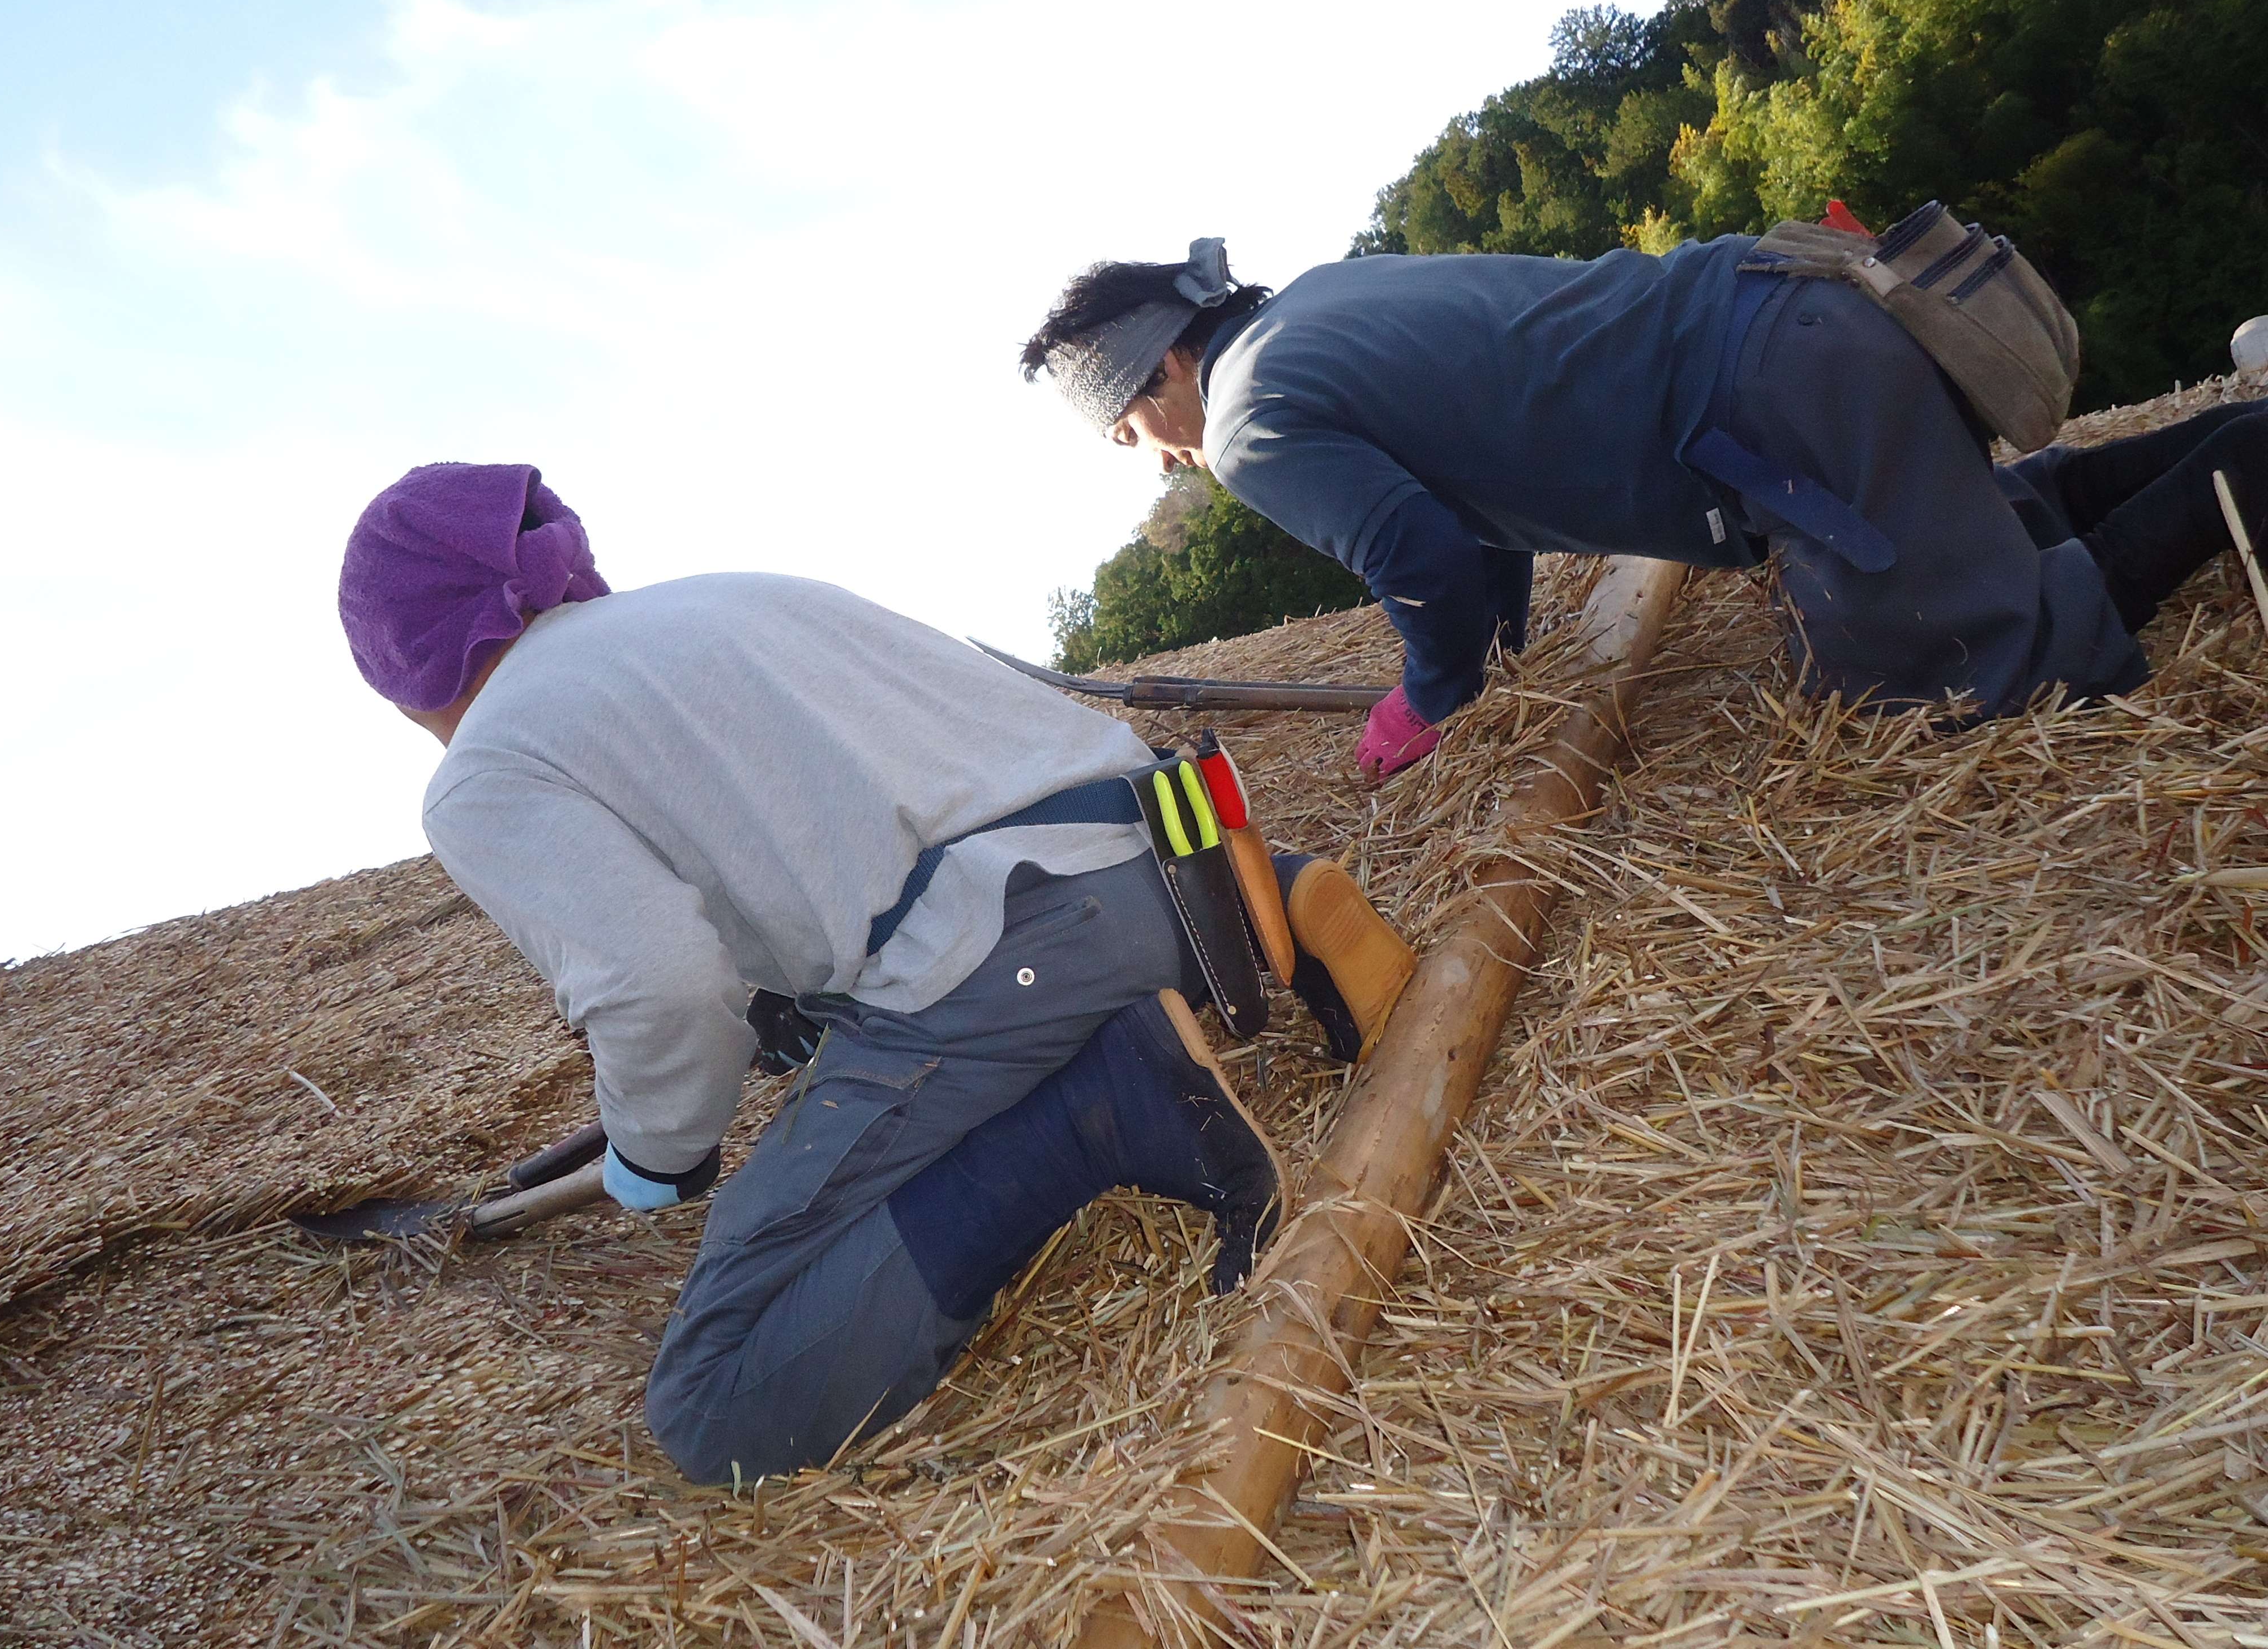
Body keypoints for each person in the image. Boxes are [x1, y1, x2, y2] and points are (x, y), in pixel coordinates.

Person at [334, 462, 1416, 1482]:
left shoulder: (484, 766)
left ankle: (1111, 1105)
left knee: (715, 1406)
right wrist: (799, 1001)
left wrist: (657, 1154)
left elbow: (659, 990)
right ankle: (1283, 890)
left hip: (1014, 947)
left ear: (408, 673)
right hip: (1168, 863)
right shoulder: (713, 603)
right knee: (930, 983)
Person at [1022, 237, 2268, 778]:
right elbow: (1473, 518)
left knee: (1946, 663)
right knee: (2009, 515)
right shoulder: (1317, 305)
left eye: (1135, 430)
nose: (1158, 461)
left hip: (1780, 398)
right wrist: (1496, 659)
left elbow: (1422, 554)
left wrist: (1439, 693)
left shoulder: (1245, 419)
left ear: (1166, 369)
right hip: (1793, 321)